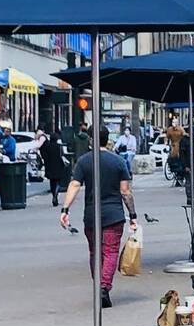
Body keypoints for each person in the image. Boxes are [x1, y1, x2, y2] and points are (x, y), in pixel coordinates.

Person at [60, 126, 137, 309]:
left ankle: (99, 286)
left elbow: (74, 185)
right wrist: (133, 215)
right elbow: (125, 192)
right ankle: (104, 287)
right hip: (114, 215)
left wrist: (65, 209)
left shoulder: (84, 161)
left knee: (95, 252)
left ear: (91, 139)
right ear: (107, 139)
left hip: (91, 216)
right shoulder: (118, 161)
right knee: (110, 252)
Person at [41, 129, 67, 206]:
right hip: (58, 166)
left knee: (52, 182)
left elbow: (44, 156)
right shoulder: (59, 147)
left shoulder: (47, 146)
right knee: (58, 182)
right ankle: (56, 195)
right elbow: (62, 156)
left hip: (49, 166)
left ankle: (53, 195)